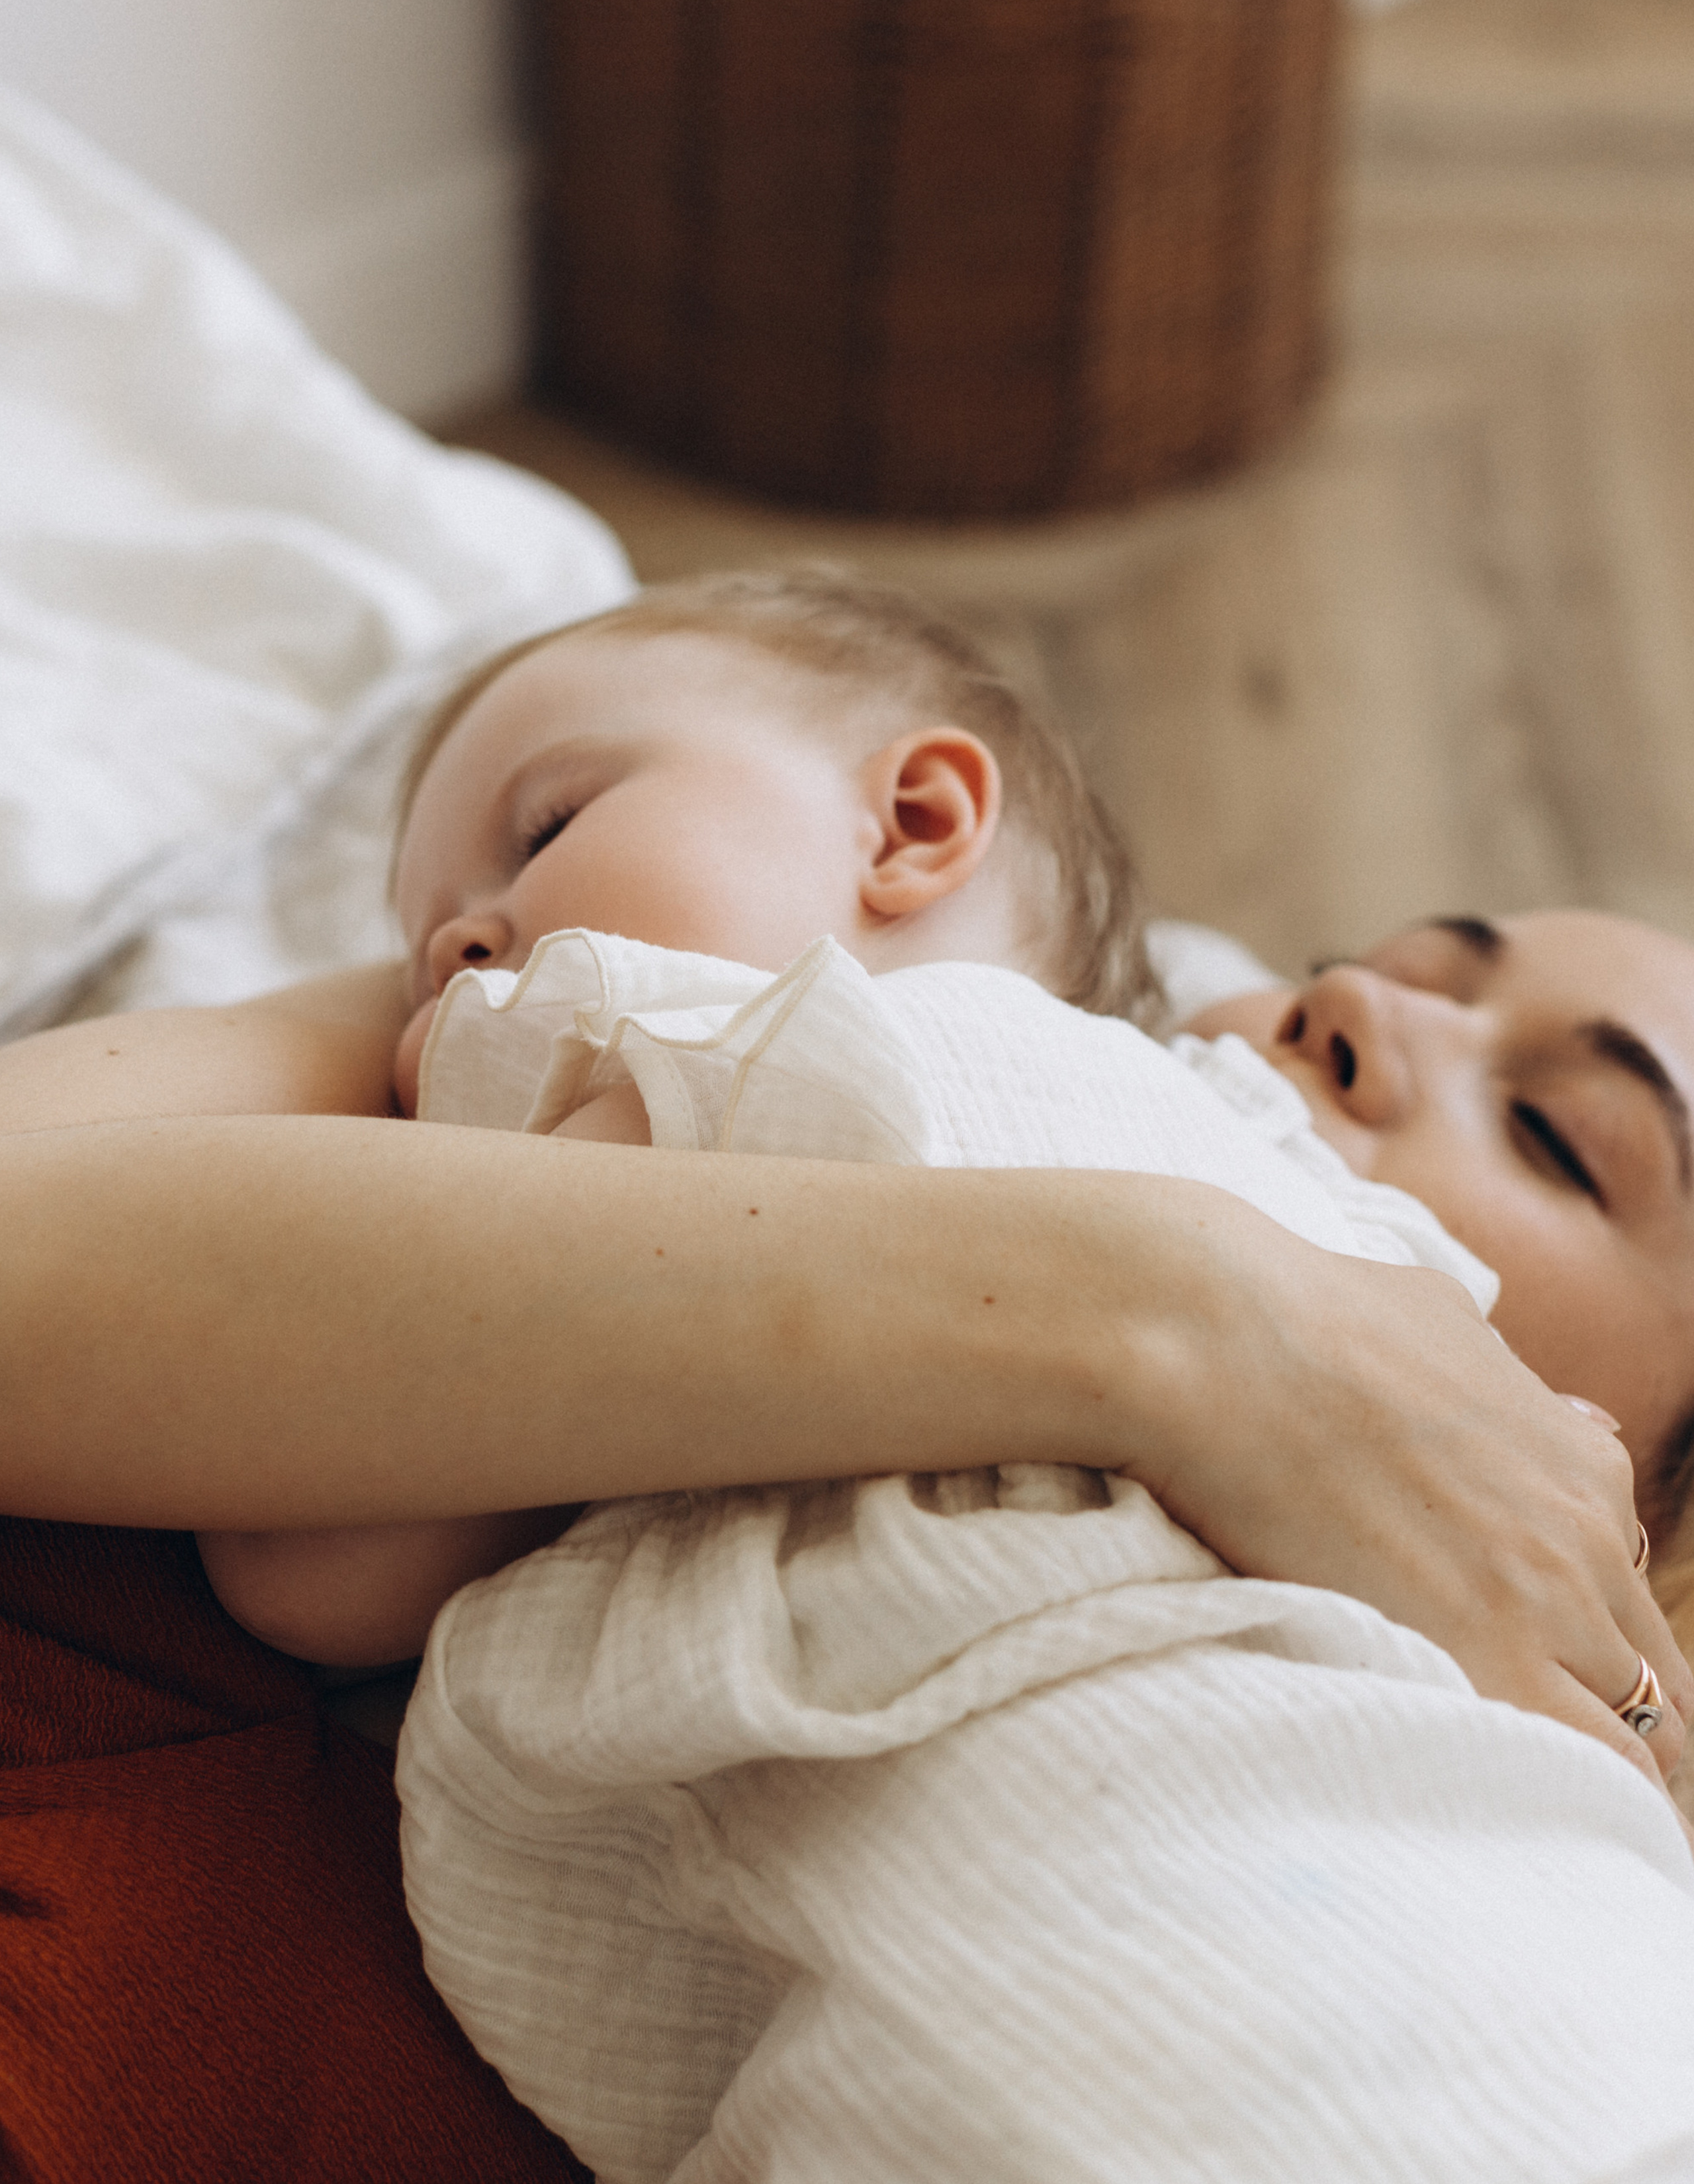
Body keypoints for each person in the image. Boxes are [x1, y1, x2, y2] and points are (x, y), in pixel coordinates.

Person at [0, 577, 1684, 2171]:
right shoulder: (938, 1056)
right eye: (1384, 962)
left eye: (1556, 1138)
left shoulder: (1550, 1817)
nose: (1343, 1010)